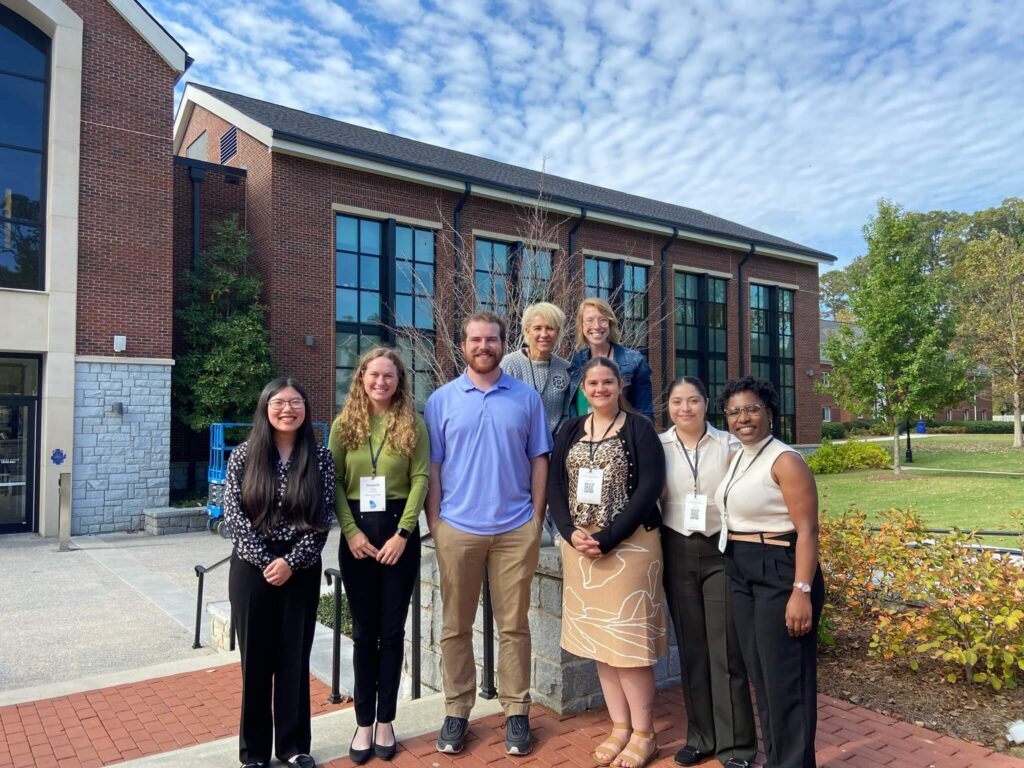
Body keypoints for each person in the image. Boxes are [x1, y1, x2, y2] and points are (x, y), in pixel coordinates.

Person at [424, 311, 551, 756]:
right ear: (462, 345)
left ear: (503, 344)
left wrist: (536, 518)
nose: (484, 346)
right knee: (455, 626)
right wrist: (435, 523)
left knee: (514, 626)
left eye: (491, 339)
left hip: (516, 528)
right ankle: (457, 711)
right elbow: (433, 466)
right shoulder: (441, 400)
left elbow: (540, 459)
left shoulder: (526, 397)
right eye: (475, 339)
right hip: (457, 529)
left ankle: (517, 711)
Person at [548, 356, 666, 768]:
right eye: (592, 383)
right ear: (582, 390)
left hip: (630, 547)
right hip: (581, 549)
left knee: (627, 647)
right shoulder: (569, 430)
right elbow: (555, 486)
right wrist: (568, 532)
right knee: (601, 646)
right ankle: (620, 727)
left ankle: (645, 733)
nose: (599, 389)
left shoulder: (639, 428)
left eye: (607, 383)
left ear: (620, 387)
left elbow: (650, 487)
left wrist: (610, 537)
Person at [223, 377, 334, 768]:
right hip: (252, 572)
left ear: (306, 409)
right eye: (279, 403)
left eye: (296, 403)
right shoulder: (243, 455)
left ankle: (292, 747)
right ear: (266, 408)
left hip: (300, 570)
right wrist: (265, 560)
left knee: (293, 661)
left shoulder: (320, 458)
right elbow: (234, 517)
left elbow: (323, 518)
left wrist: (291, 561)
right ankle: (253, 753)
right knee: (255, 664)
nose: (288, 410)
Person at [714, 377, 824, 768]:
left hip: (780, 567)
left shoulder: (786, 460)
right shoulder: (741, 455)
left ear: (770, 412)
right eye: (734, 411)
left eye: (752, 409)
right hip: (742, 568)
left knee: (786, 681)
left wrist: (801, 591)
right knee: (762, 676)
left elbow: (808, 530)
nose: (743, 417)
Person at [329, 348, 429, 764]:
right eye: (374, 375)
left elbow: (421, 477)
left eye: (389, 376)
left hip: (397, 533)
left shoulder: (412, 423)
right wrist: (350, 532)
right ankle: (363, 722)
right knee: (363, 633)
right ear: (362, 378)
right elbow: (331, 481)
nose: (381, 383)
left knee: (392, 633)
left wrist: (403, 534)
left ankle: (386, 719)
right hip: (357, 536)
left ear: (399, 381)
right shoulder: (343, 425)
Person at [660, 376, 757, 768]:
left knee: (726, 650)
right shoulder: (658, 446)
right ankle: (701, 737)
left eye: (694, 400)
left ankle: (736, 746)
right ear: (668, 407)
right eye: (677, 401)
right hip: (676, 549)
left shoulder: (728, 445)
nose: (686, 408)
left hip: (719, 550)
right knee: (692, 649)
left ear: (705, 404)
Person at [567, 297, 653, 419]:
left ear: (610, 324)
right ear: (581, 326)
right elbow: (573, 409)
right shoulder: (578, 361)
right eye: (589, 320)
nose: (596, 326)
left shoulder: (634, 361)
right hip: (583, 435)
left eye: (603, 320)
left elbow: (646, 415)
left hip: (622, 435)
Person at [500, 301, 572, 435]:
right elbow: (499, 410)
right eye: (537, 328)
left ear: (558, 332)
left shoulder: (565, 369)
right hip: (517, 445)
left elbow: (567, 414)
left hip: (554, 448)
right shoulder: (509, 365)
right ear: (527, 331)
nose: (544, 334)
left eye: (550, 328)